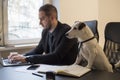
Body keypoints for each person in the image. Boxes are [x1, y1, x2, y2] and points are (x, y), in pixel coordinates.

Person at [8, 4, 78, 65]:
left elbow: (56, 56)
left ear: (52, 18)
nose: (40, 23)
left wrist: (27, 59)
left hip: (66, 71)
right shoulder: (45, 31)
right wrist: (22, 56)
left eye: (42, 19)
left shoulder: (67, 32)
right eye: (39, 19)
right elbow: (38, 50)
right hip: (52, 68)